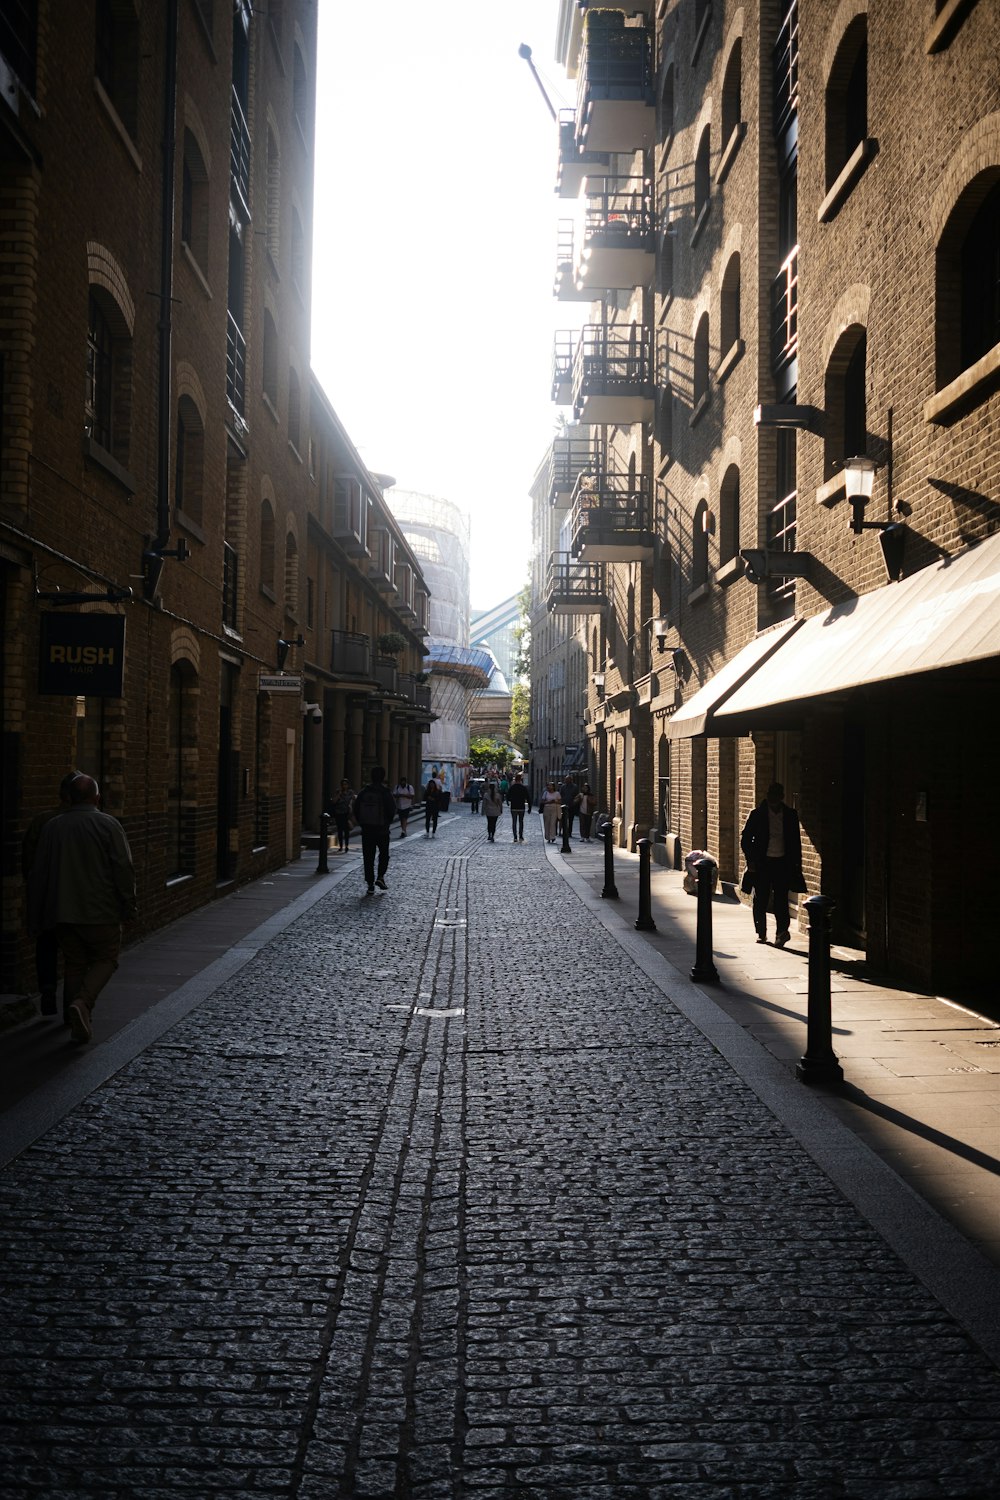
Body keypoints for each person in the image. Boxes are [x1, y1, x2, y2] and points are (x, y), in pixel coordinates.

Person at [26, 774, 137, 1043]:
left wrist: (36, 913)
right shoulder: (108, 824)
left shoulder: (52, 827)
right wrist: (128, 903)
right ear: (96, 798)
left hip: (62, 912)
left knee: (74, 963)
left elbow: (39, 873)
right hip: (101, 910)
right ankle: (83, 1004)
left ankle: (71, 1016)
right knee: (106, 959)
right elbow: (123, 868)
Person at [21, 770, 81, 1016]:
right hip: (77, 899)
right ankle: (71, 1004)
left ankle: (47, 990)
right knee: (75, 954)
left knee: (46, 945)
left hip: (47, 897)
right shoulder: (88, 822)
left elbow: (29, 863)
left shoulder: (42, 821)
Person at [740, 782, 805, 947]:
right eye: (772, 795)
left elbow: (795, 843)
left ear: (782, 797)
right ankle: (761, 933)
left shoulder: (790, 815)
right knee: (761, 898)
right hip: (763, 863)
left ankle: (781, 933)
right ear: (768, 796)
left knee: (781, 900)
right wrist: (751, 860)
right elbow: (746, 839)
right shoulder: (757, 814)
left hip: (782, 863)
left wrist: (796, 865)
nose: (774, 799)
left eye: (777, 795)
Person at [354, 766, 397, 896]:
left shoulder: (363, 792)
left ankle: (370, 883)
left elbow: (356, 810)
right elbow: (392, 810)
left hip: (367, 830)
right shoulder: (385, 793)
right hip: (382, 830)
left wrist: (362, 824)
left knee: (368, 857)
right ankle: (380, 877)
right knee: (384, 855)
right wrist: (386, 823)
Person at [329, 779, 355, 853]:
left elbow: (353, 800)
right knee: (340, 830)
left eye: (346, 784)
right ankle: (340, 846)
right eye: (343, 784)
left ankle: (346, 846)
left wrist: (351, 806)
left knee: (346, 830)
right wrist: (338, 794)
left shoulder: (350, 792)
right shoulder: (338, 792)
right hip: (339, 813)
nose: (344, 786)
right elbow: (334, 801)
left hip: (346, 813)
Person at [506, 773, 531, 841]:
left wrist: (509, 802)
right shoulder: (523, 788)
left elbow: (507, 796)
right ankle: (521, 836)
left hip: (514, 807)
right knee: (521, 822)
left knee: (514, 822)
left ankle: (515, 837)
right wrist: (529, 807)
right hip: (521, 807)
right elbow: (528, 798)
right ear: (520, 780)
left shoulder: (512, 787)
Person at [423, 773, 442, 837]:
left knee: (435, 820)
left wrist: (433, 799)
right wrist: (428, 798)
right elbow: (424, 798)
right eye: (430, 784)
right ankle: (427, 832)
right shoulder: (427, 791)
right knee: (427, 820)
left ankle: (433, 832)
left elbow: (439, 798)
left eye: (432, 784)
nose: (431, 785)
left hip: (435, 807)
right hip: (428, 807)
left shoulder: (437, 791)